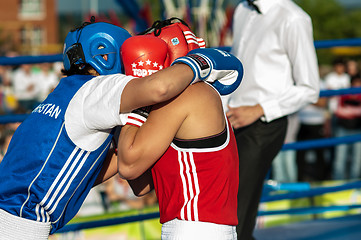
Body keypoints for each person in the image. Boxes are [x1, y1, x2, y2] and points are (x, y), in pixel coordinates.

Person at [0, 19, 238, 239]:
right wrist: (199, 63)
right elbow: (138, 179)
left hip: (196, 228)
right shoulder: (97, 91)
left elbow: (128, 166)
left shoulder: (62, 95)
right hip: (22, 222)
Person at [96, 22, 243, 238]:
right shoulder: (179, 105)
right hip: (195, 227)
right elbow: (141, 185)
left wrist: (136, 104)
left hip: (195, 227)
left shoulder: (190, 95)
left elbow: (128, 166)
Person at [224, 0, 320, 239]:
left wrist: (258, 109)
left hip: (264, 125)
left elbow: (310, 88)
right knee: (228, 205)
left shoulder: (294, 18)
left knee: (237, 209)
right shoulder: (241, 9)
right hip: (230, 120)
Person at [333, 74, 361, 180]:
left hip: (358, 130)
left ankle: (354, 186)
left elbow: (344, 111)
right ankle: (338, 185)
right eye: (356, 83)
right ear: (351, 84)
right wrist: (356, 111)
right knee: (340, 159)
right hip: (343, 130)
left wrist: (348, 110)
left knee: (357, 161)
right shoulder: (344, 94)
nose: (358, 86)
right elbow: (339, 111)